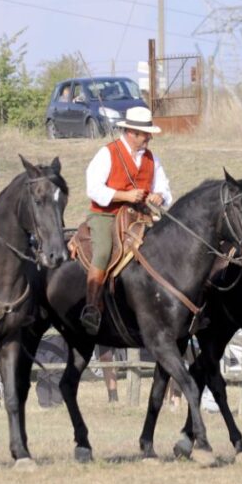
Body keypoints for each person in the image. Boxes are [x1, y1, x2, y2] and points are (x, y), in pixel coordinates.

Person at [81, 107, 172, 334]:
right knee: (103, 250)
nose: (149, 137)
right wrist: (124, 196)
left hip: (139, 215)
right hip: (106, 214)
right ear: (132, 132)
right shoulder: (107, 153)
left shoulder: (152, 159)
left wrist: (159, 196)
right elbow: (93, 189)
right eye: (145, 134)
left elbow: (164, 188)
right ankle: (92, 306)